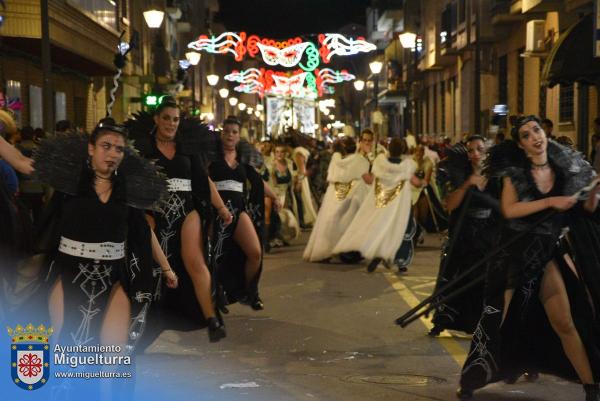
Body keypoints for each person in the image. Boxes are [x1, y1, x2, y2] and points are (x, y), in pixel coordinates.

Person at [456, 115, 600, 401]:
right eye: (526, 134)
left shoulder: (564, 169)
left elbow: (589, 207)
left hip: (548, 255)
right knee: (498, 322)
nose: (535, 136)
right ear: (521, 145)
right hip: (517, 255)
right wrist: (549, 202)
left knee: (564, 321)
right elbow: (510, 210)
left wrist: (594, 187)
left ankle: (591, 387)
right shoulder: (516, 172)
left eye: (537, 130)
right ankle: (472, 380)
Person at [34, 118, 176, 351]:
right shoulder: (70, 187)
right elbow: (46, 229)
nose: (112, 154)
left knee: (115, 351)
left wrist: (166, 267)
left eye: (119, 148)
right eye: (106, 146)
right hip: (69, 271)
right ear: (91, 148)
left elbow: (143, 231)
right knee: (67, 345)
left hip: (112, 274)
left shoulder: (127, 191)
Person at [127, 98, 231, 342]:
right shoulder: (144, 147)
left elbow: (204, 181)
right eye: (166, 118)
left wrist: (222, 208)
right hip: (155, 210)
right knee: (147, 267)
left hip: (186, 210)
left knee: (194, 260)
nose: (171, 123)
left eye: (175, 119)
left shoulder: (187, 148)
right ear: (156, 119)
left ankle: (211, 319)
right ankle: (140, 323)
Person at [429, 136, 499, 336]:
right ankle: (444, 320)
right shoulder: (459, 172)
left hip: (488, 234)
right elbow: (450, 205)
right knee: (456, 277)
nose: (475, 154)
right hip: (464, 232)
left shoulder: (496, 175)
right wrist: (468, 183)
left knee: (483, 280)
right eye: (471, 150)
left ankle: (481, 324)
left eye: (480, 149)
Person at [210, 116, 281, 311]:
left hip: (239, 210)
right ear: (221, 133)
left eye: (234, 132)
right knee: (215, 256)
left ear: (239, 135)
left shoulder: (244, 160)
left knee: (255, 252)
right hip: (215, 212)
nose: (230, 135)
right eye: (227, 131)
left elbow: (258, 182)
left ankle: (250, 293)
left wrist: (275, 197)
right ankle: (216, 296)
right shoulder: (211, 158)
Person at [332, 138, 418, 272]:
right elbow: (416, 182)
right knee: (400, 231)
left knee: (382, 230)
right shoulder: (407, 166)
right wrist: (424, 181)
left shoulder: (380, 163)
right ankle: (400, 262)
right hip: (400, 206)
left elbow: (370, 180)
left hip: (384, 204)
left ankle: (379, 255)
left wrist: (362, 171)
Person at [303, 136, 371, 262]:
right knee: (351, 223)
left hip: (334, 195)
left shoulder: (335, 160)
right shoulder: (360, 160)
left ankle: (326, 250)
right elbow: (367, 179)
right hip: (353, 195)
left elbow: (330, 178)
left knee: (330, 222)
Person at [266, 142, 299, 248]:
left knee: (287, 216)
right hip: (274, 193)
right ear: (274, 153)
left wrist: (297, 182)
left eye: (282, 152)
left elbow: (293, 177)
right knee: (276, 216)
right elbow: (268, 181)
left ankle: (284, 237)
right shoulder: (270, 165)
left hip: (288, 193)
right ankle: (273, 237)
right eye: (277, 152)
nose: (279, 154)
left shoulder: (289, 163)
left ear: (286, 153)